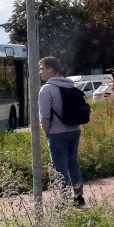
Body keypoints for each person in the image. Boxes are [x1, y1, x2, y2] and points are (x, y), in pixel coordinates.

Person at [38, 56, 85, 206]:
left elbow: (45, 116)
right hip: (75, 130)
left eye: (42, 68)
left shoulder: (46, 89)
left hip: (56, 133)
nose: (40, 72)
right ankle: (78, 196)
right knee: (73, 163)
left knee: (59, 166)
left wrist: (46, 131)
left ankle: (63, 199)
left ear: (51, 69)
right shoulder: (70, 85)